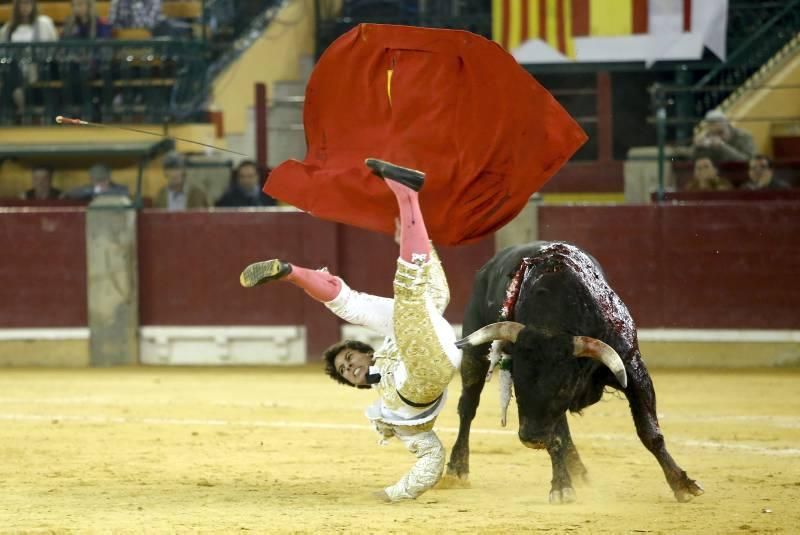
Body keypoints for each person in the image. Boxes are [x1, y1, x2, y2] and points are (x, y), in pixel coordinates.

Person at [240, 159, 460, 502]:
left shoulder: (391, 340)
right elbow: (432, 459)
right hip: (426, 371)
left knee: (360, 302)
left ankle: (291, 272)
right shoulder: (394, 413)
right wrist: (393, 494)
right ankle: (407, 196)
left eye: (348, 359)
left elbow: (354, 305)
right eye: (345, 372)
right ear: (355, 384)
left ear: (365, 351)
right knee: (412, 296)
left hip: (428, 336)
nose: (350, 367)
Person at [0, 0, 58, 117]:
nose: (25, 7)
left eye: (28, 3)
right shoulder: (8, 28)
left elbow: (54, 47)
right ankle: (21, 105)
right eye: (21, 4)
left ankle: (18, 108)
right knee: (10, 67)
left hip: (38, 67)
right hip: (15, 67)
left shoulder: (44, 23)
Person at [62, 163, 129, 201]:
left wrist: (99, 190)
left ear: (108, 178)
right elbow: (70, 194)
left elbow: (123, 195)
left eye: (103, 179)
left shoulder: (121, 189)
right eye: (97, 180)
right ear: (91, 180)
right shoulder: (88, 189)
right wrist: (95, 190)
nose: (100, 183)